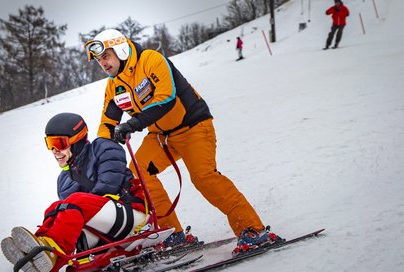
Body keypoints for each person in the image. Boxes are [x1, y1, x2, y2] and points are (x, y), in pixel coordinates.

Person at [84, 29, 282, 255]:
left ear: (120, 49)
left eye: (106, 56)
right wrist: (100, 150)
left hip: (193, 127)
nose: (103, 63)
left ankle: (253, 229)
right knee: (138, 175)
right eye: (99, 60)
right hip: (161, 137)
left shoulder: (150, 60)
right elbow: (107, 123)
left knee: (203, 177)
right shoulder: (114, 85)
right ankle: (173, 234)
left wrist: (132, 124)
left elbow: (166, 99)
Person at [1, 112, 149, 272]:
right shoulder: (64, 180)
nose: (55, 151)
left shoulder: (104, 148)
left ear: (76, 140)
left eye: (59, 143)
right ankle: (42, 257)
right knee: (55, 209)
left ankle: (50, 251)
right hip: (102, 226)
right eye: (50, 144)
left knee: (74, 202)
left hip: (131, 214)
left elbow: (108, 186)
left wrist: (76, 205)